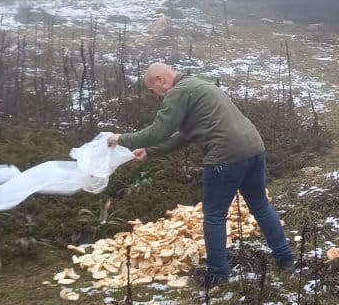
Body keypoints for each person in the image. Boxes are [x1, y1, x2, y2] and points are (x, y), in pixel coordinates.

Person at [109, 62, 294, 287]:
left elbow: (159, 130)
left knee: (214, 215)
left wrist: (121, 139)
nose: (154, 96)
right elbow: (184, 136)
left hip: (225, 156)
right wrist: (150, 152)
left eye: (151, 90)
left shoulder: (178, 93)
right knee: (261, 206)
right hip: (254, 149)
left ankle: (217, 274)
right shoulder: (197, 85)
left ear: (160, 79)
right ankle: (285, 259)